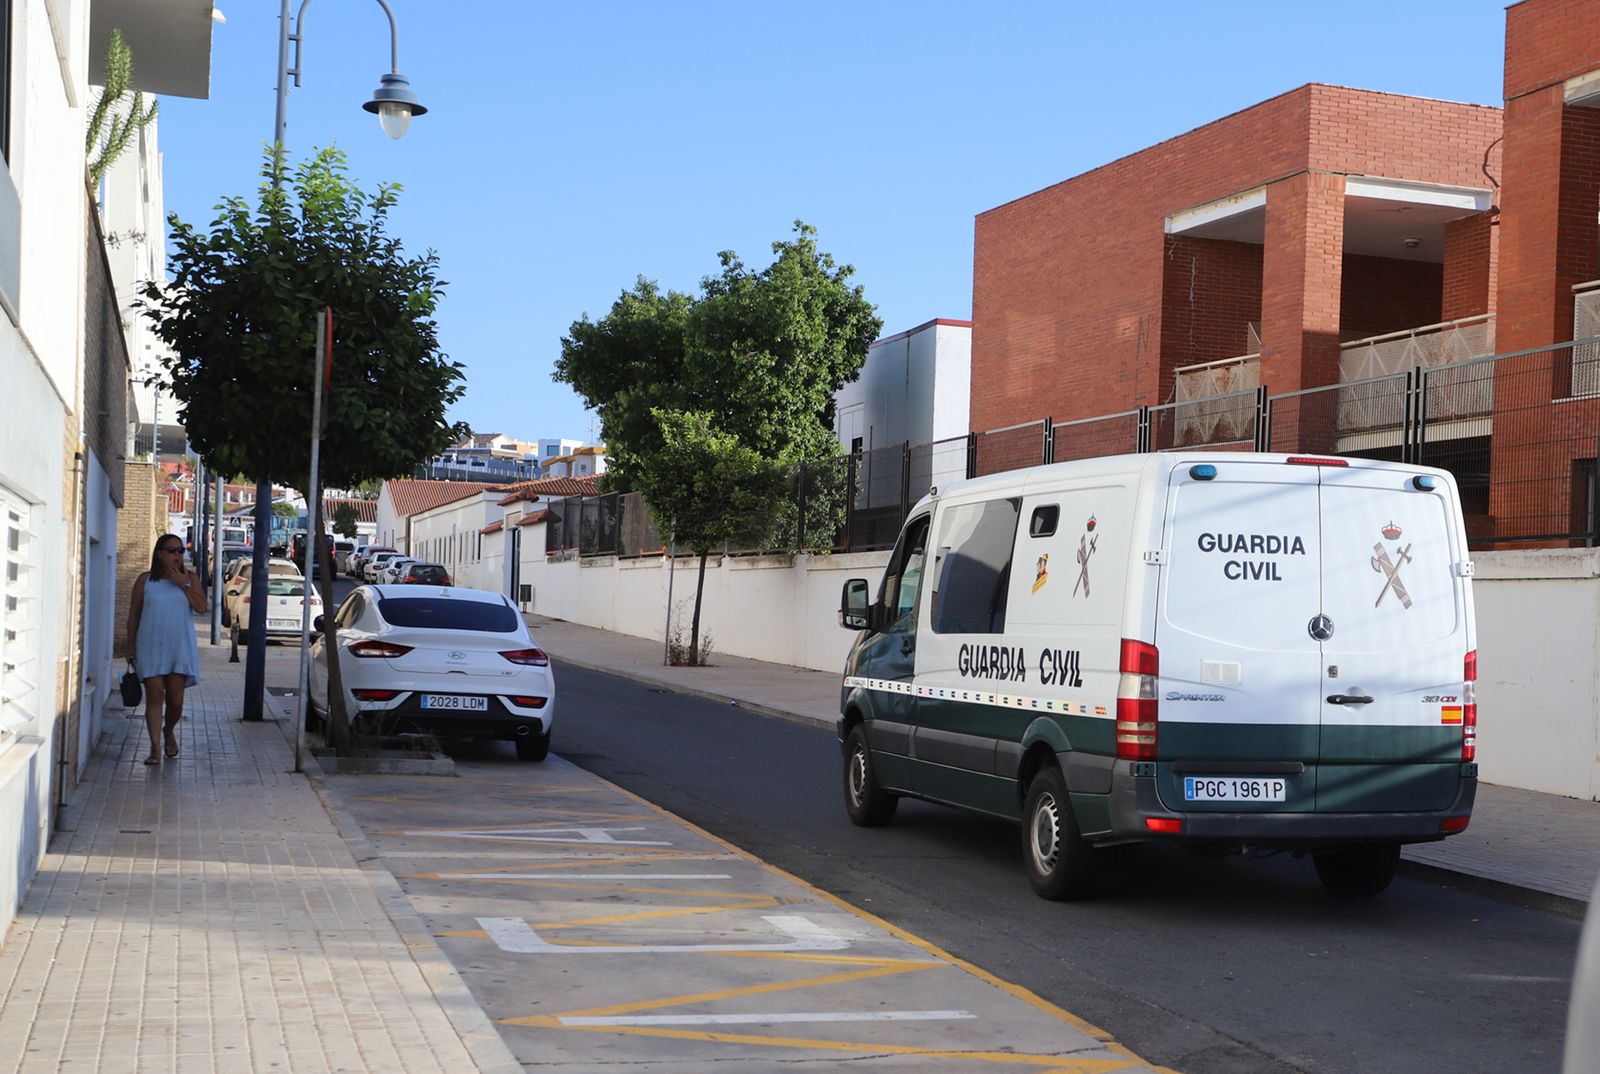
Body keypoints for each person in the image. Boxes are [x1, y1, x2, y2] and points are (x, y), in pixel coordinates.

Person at [124, 534, 207, 766]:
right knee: (154, 696)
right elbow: (134, 614)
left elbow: (201, 607)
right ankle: (155, 748)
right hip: (149, 645)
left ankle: (168, 730)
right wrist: (129, 645)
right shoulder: (145, 580)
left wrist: (185, 585)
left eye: (180, 550)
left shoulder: (190, 578)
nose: (177, 555)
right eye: (172, 551)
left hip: (178, 647)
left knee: (176, 701)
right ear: (159, 554)